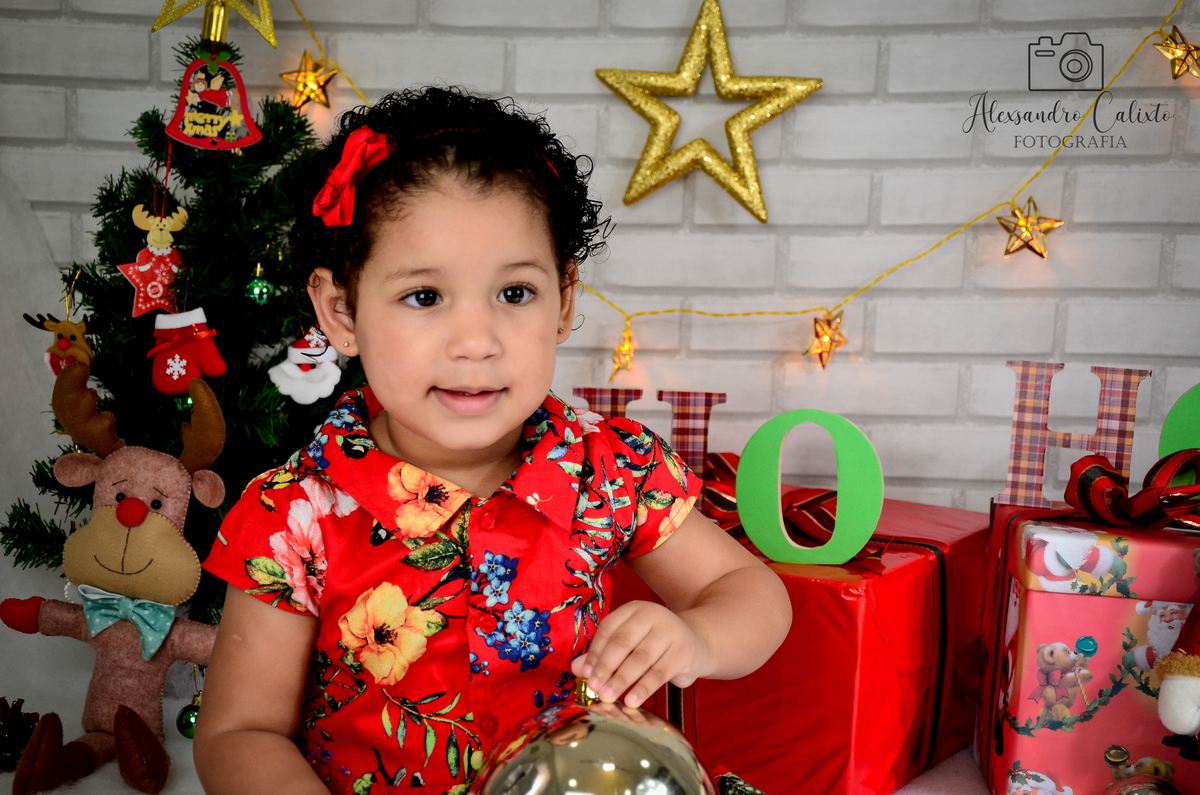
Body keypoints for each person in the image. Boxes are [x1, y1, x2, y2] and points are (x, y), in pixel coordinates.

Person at [193, 86, 791, 795]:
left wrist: (698, 639)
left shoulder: (609, 468)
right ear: (341, 311)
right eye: (424, 296)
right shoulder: (293, 513)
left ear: (564, 301)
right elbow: (240, 733)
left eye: (514, 294)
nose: (476, 342)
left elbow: (750, 593)